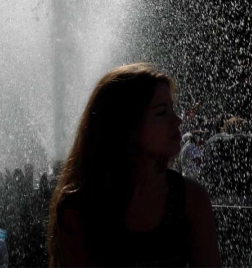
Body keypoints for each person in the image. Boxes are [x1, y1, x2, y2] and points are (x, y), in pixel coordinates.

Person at [47, 63, 221, 267]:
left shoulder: (191, 200)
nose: (178, 120)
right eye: (162, 112)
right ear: (126, 124)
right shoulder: (78, 209)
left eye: (172, 109)